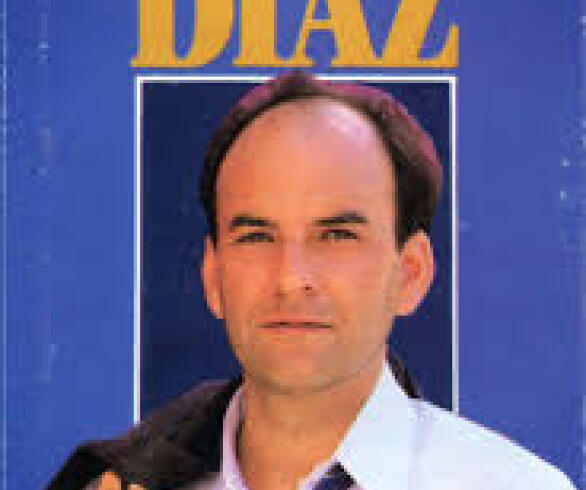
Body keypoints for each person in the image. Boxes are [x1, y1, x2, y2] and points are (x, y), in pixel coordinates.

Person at [48, 72, 575, 490]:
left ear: (411, 273)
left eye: (337, 235)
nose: (291, 278)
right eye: (257, 236)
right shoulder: (112, 484)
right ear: (213, 276)